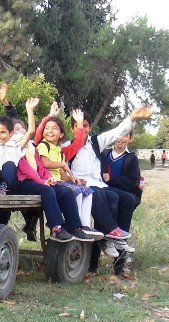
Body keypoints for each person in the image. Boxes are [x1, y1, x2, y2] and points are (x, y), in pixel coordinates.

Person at [62, 106, 151, 273]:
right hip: (81, 185)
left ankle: (118, 239)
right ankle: (109, 234)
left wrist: (132, 118)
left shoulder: (96, 142)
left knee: (126, 199)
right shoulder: (68, 146)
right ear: (73, 128)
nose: (83, 129)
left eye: (86, 125)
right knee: (108, 196)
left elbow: (117, 132)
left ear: (90, 128)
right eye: (79, 126)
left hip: (98, 183)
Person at [34, 108, 101, 240]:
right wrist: (50, 115)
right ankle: (72, 225)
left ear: (61, 134)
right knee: (71, 192)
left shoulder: (60, 151)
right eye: (47, 128)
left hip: (58, 181)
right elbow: (45, 163)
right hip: (47, 181)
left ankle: (82, 225)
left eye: (54, 129)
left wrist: (73, 179)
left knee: (85, 190)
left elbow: (76, 146)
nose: (50, 131)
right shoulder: (42, 146)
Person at [14, 139, 92, 243]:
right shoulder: (16, 149)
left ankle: (74, 227)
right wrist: (43, 181)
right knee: (47, 190)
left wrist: (49, 178)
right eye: (17, 129)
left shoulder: (32, 149)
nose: (22, 133)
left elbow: (41, 167)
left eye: (23, 129)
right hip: (23, 182)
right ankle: (56, 228)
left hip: (38, 181)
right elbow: (27, 170)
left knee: (66, 191)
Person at [100, 132, 143, 276]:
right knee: (100, 228)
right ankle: (92, 265)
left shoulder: (131, 158)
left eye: (125, 136)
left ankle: (119, 268)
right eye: (119, 135)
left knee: (122, 231)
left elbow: (132, 180)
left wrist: (112, 179)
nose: (121, 139)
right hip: (106, 195)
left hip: (124, 198)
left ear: (130, 138)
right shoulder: (104, 154)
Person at [0, 85, 38, 197]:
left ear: (11, 133)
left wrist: (29, 110)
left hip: (10, 184)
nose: (0, 136)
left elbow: (31, 131)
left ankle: (2, 187)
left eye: (3, 132)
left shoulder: (17, 146)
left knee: (9, 165)